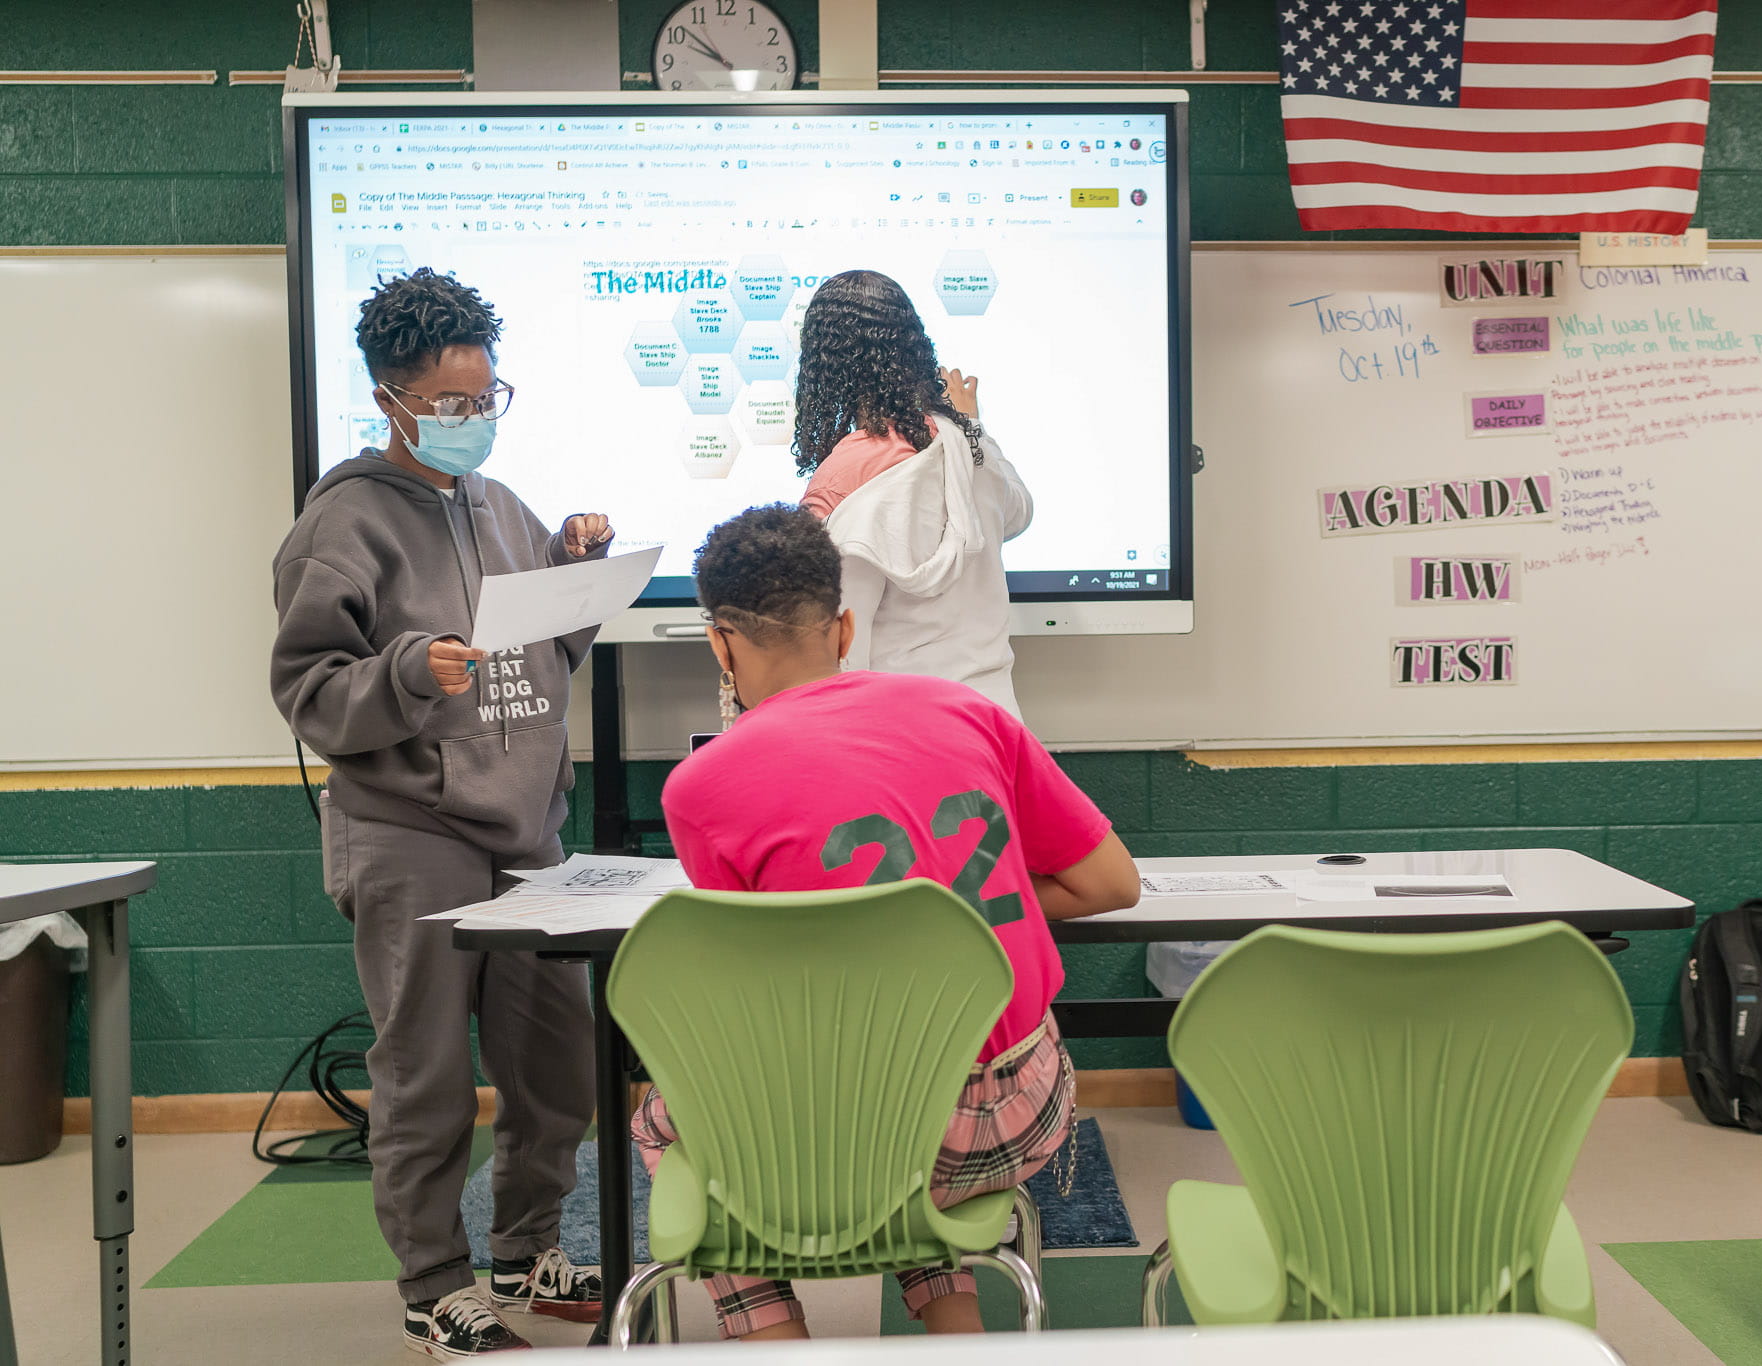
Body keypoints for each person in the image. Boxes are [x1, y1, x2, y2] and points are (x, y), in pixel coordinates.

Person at [631, 504, 1140, 1341]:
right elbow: (1111, 883)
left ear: (719, 643)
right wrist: (957, 904)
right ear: (843, 628)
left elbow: (750, 992)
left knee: (684, 1106)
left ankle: (773, 1337)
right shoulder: (971, 715)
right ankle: (953, 1320)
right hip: (1022, 1107)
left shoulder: (700, 788)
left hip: (863, 1129)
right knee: (894, 1061)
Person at [271, 268, 612, 1358]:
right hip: (409, 834)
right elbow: (308, 689)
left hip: (527, 831)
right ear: (393, 401)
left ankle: (525, 1249)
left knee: (554, 1063)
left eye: (488, 397)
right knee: (423, 1074)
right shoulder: (342, 524)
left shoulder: (501, 508)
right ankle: (433, 1282)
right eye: (453, 405)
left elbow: (537, 658)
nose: (475, 421)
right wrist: (412, 671)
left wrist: (573, 577)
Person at [793, 269, 1033, 716]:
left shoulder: (843, 476)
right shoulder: (967, 446)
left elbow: (839, 647)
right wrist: (974, 425)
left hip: (901, 730)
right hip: (994, 722)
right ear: (914, 347)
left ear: (825, 365)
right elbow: (1018, 513)